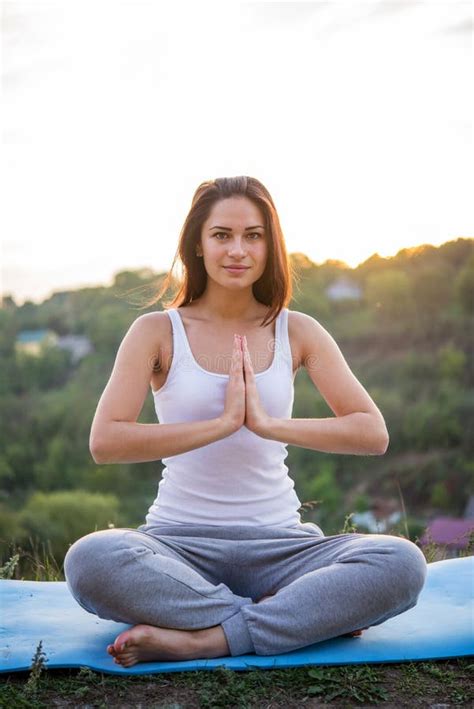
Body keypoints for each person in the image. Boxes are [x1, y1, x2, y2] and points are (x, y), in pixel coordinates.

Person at [64, 176, 427, 668]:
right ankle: (291, 620)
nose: (238, 250)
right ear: (198, 242)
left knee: (401, 564)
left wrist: (267, 424)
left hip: (283, 549)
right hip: (177, 546)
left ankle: (206, 638)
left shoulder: (296, 330)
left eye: (253, 235)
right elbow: (106, 441)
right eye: (222, 235)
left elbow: (371, 431)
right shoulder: (156, 331)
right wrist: (221, 424)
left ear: (269, 244)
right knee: (90, 561)